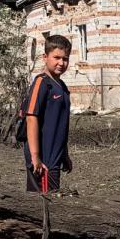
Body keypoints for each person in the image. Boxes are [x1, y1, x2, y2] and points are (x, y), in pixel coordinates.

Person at [22, 35, 73, 194]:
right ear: (45, 57)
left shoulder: (62, 87)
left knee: (53, 202)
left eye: (65, 58)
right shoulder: (41, 83)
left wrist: (64, 154)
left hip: (54, 159)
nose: (61, 63)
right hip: (42, 161)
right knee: (42, 206)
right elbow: (31, 118)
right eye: (56, 57)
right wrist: (35, 156)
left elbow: (60, 125)